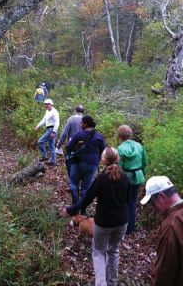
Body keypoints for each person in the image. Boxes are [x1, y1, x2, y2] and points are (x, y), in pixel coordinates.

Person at [60, 147, 130, 286]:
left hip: (104, 222)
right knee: (114, 250)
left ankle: (101, 283)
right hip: (122, 221)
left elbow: (85, 200)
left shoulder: (101, 179)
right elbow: (128, 200)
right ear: (117, 159)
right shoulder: (125, 177)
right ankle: (112, 282)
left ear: (103, 160)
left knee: (98, 252)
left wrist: (70, 210)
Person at [66, 115, 105, 207]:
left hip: (77, 162)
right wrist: (97, 160)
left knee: (73, 184)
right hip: (92, 164)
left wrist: (71, 141)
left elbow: (68, 147)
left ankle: (75, 206)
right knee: (86, 188)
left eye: (81, 122)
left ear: (85, 124)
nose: (80, 124)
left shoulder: (78, 134)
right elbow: (103, 151)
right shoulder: (99, 136)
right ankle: (83, 209)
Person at [117, 125, 147, 234]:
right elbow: (144, 163)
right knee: (132, 202)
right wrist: (143, 174)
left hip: (125, 177)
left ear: (119, 136)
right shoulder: (139, 146)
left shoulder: (120, 148)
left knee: (124, 201)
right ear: (130, 134)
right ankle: (131, 228)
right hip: (138, 176)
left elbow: (119, 167)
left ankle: (122, 227)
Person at [57, 105, 85, 176]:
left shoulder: (71, 119)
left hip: (72, 146)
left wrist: (59, 144)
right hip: (83, 146)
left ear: (76, 111)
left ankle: (73, 181)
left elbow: (64, 133)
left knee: (70, 164)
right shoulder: (86, 120)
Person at [35, 98, 60, 166]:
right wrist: (38, 126)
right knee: (51, 146)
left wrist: (54, 132)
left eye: (47, 104)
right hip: (49, 129)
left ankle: (44, 156)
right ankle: (53, 162)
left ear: (51, 104)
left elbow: (57, 122)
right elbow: (44, 120)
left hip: (52, 129)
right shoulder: (47, 111)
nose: (46, 106)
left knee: (40, 142)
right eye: (45, 104)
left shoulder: (54, 112)